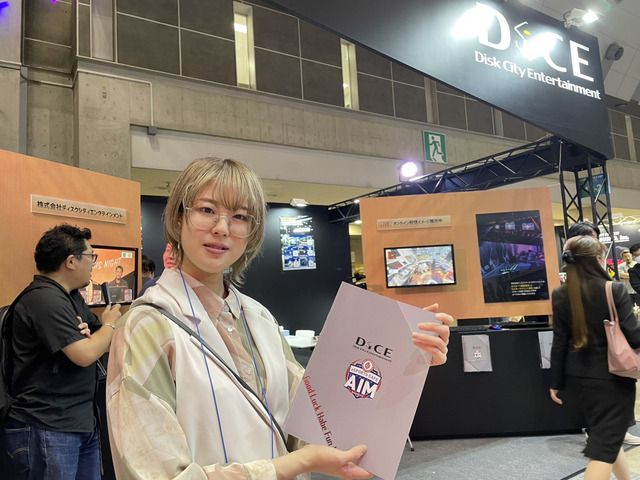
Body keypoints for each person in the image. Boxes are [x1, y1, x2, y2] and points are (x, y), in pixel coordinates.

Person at [106, 157, 453, 479]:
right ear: (179, 218)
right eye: (207, 210)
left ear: (252, 231)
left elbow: (314, 421)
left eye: (240, 216)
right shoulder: (147, 327)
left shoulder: (258, 318)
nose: (222, 228)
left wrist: (403, 367)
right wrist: (296, 463)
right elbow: (155, 474)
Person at [3, 224, 122, 479]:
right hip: (48, 425)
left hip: (79, 421)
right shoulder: (44, 299)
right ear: (70, 261)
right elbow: (85, 354)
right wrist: (110, 324)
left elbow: (97, 337)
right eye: (91, 256)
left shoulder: (71, 297)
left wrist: (97, 334)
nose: (93, 264)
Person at [550, 235, 640, 480]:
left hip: (577, 380)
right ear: (597, 260)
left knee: (607, 437)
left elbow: (559, 342)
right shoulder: (613, 289)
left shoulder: (560, 294)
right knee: (604, 446)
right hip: (613, 379)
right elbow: (634, 337)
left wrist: (555, 382)